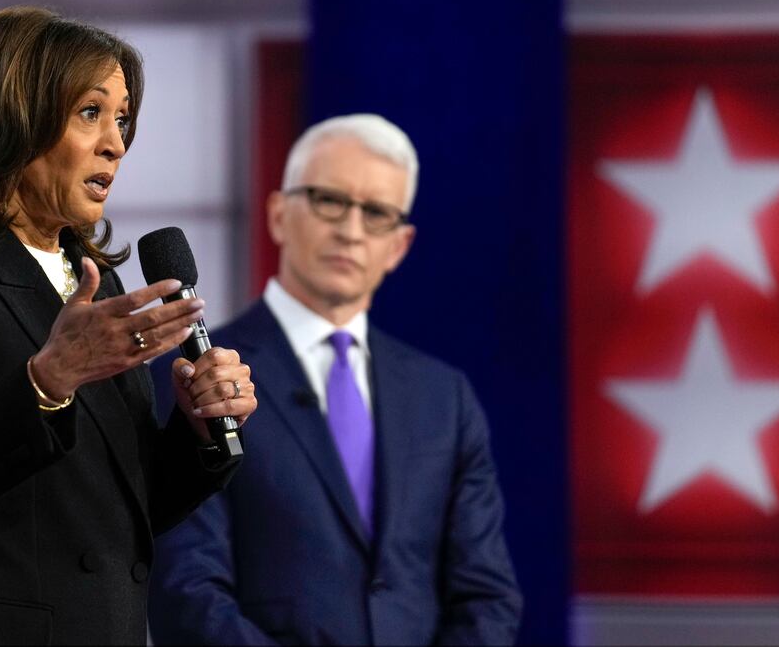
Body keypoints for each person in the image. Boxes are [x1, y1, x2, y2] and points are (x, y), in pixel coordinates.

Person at [0, 6, 256, 645]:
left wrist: (195, 433)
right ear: (8, 116)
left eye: (122, 119)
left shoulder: (93, 279)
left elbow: (112, 515)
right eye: (90, 112)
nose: (116, 141)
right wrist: (48, 379)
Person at [147, 114, 522, 645]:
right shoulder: (190, 377)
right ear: (278, 214)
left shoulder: (445, 398)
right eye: (329, 200)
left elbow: (486, 596)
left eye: (376, 213)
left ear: (399, 245)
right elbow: (186, 592)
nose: (350, 228)